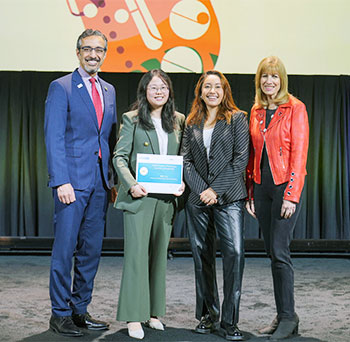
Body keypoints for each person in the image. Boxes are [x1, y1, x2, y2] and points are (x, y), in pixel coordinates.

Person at [44, 29, 117, 337]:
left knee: (91, 251)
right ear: (78, 52)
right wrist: (61, 180)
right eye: (87, 49)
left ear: (104, 54)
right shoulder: (61, 87)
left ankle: (79, 310)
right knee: (65, 250)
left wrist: (111, 179)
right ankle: (59, 313)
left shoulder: (109, 89)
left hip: (100, 183)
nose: (93, 54)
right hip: (71, 183)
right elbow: (54, 137)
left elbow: (108, 137)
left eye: (99, 50)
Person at [113, 69, 185, 340]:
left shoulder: (179, 120)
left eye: (163, 87)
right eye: (153, 87)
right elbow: (119, 157)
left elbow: (182, 159)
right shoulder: (131, 119)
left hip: (166, 200)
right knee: (136, 257)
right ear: (144, 91)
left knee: (158, 258)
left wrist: (182, 183)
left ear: (170, 92)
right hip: (140, 198)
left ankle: (154, 313)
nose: (159, 92)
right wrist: (131, 184)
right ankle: (133, 316)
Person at [181, 70, 249, 341]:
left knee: (234, 254)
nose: (212, 91)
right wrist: (202, 190)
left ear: (224, 91)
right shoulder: (191, 122)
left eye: (217, 87)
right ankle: (208, 316)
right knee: (202, 257)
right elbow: (185, 161)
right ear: (200, 91)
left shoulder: (237, 119)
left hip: (229, 198)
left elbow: (240, 160)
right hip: (198, 200)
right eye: (207, 86)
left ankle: (230, 321)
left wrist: (215, 190)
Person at [246, 56, 309, 340]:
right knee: (272, 253)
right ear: (259, 80)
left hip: (285, 188)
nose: (269, 81)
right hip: (262, 190)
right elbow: (253, 156)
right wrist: (250, 192)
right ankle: (285, 312)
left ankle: (288, 317)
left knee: (281, 253)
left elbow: (299, 155)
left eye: (274, 76)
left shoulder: (295, 108)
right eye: (264, 77)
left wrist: (291, 196)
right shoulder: (257, 110)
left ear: (282, 79)